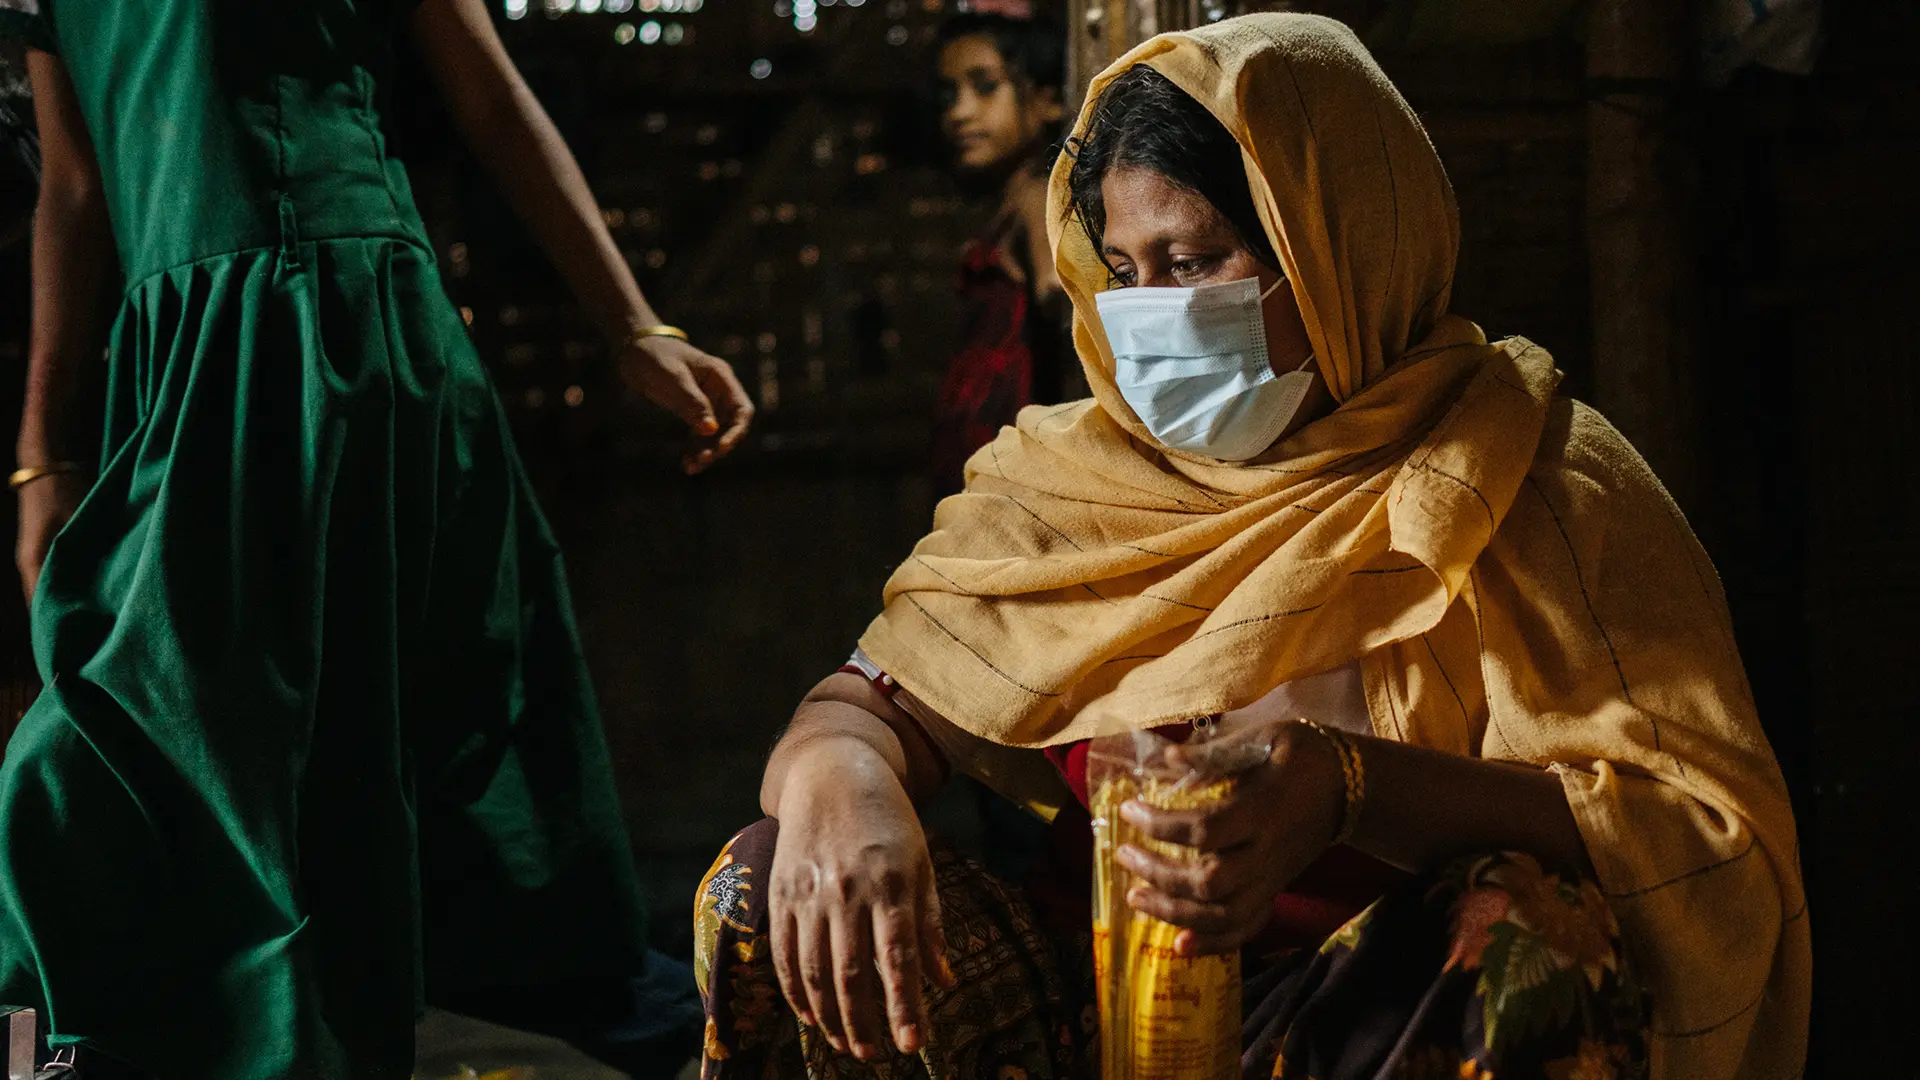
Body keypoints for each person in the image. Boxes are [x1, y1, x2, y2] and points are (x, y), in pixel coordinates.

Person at [693, 14, 1808, 1080]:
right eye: (1124, 271)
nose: (1150, 316)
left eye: (1192, 261)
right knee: (769, 878)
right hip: (1093, 1013)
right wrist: (845, 774)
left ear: (1339, 250)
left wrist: (1349, 786)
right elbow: (862, 706)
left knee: (1534, 938)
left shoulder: (1528, 477)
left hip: (1370, 1023)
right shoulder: (1071, 486)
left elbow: (1686, 833)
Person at [0, 0, 752, 1076]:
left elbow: (491, 99)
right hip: (174, 366)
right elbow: (73, 188)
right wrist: (44, 460)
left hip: (337, 335)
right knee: (128, 758)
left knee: (337, 775)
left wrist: (636, 327)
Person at [930, 10, 1079, 500]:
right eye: (949, 94)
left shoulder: (1036, 196)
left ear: (1046, 100)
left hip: (1019, 486)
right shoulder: (1009, 206)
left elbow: (1061, 296)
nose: (959, 112)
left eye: (985, 87)